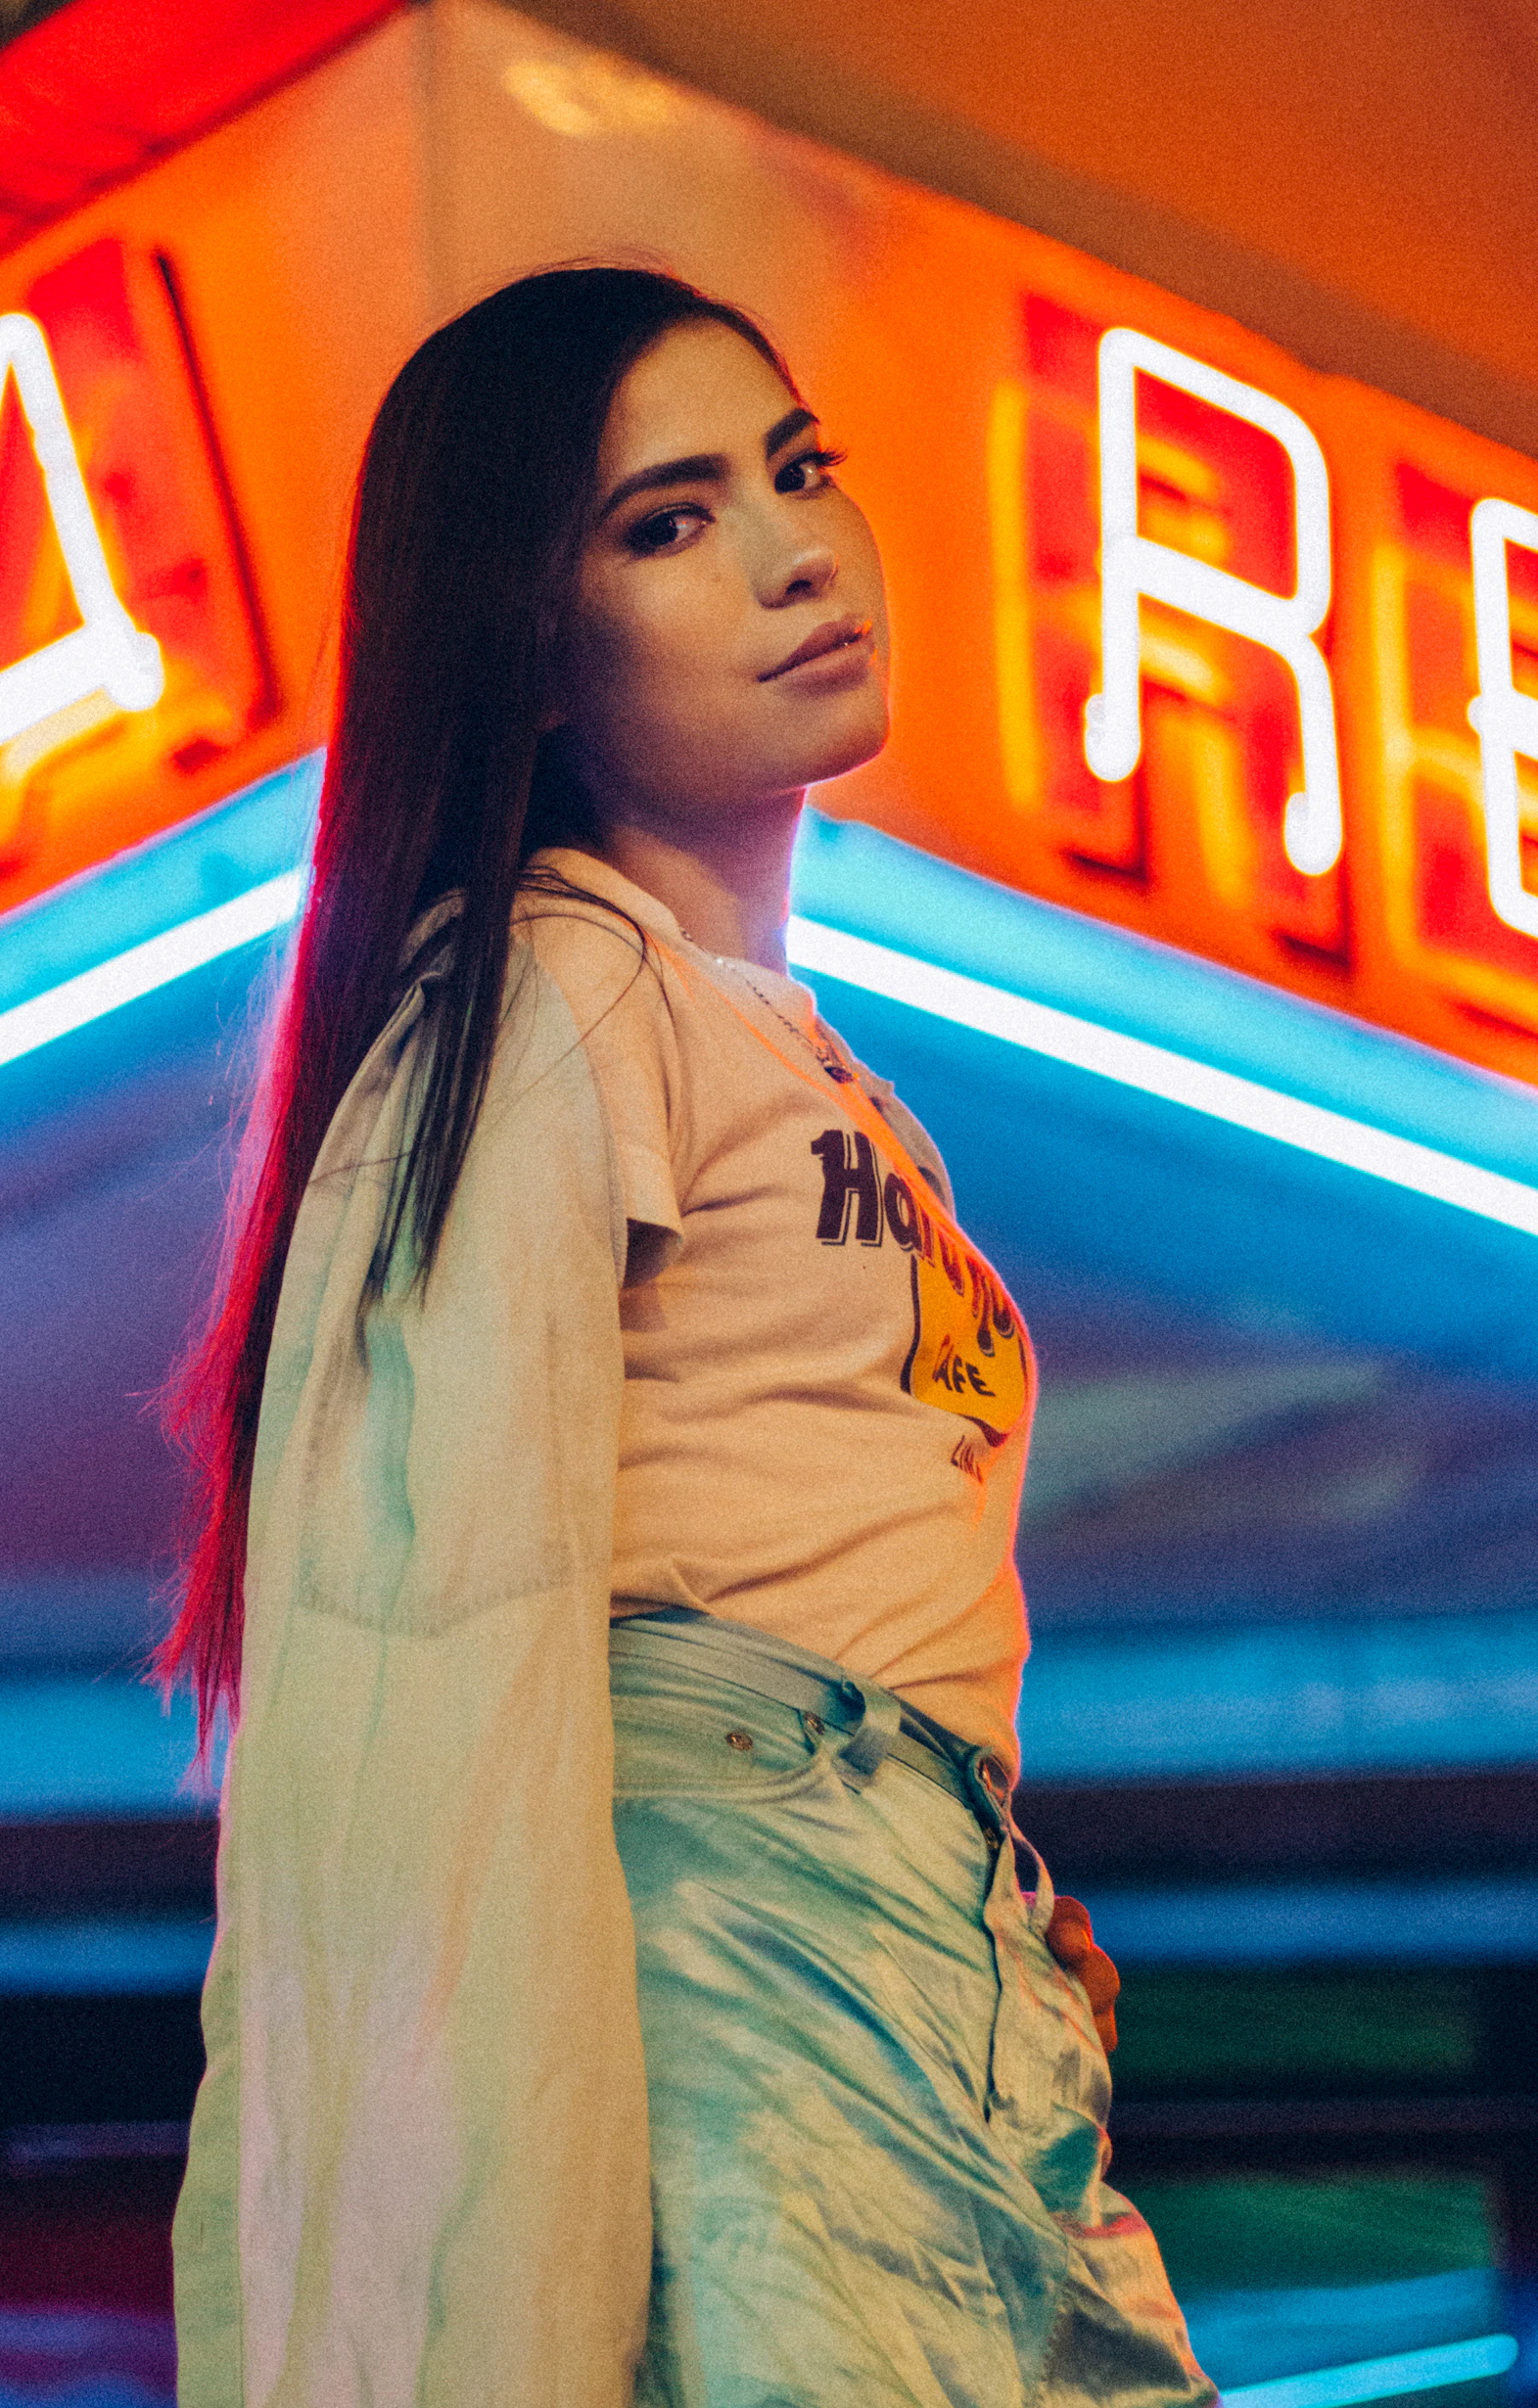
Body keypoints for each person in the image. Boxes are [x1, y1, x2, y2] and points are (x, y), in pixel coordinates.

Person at [162, 266, 1211, 2408]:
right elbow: (434, 1633)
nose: (799, 548)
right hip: (734, 1906)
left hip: (920, 1937)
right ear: (529, 644)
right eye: (670, 520)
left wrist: (975, 1873)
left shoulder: (802, 1063)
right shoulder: (550, 995)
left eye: (799, 471)